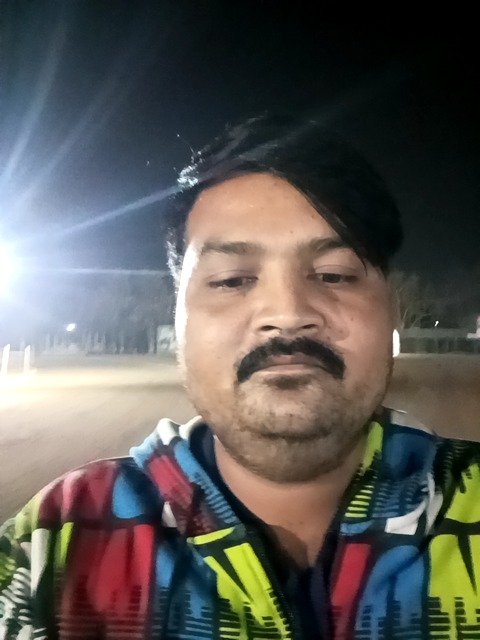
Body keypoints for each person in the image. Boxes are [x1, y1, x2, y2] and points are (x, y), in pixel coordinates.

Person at [1, 114, 479, 640]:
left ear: (391, 309)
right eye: (232, 280)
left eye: (334, 274)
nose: (288, 313)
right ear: (179, 317)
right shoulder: (53, 543)